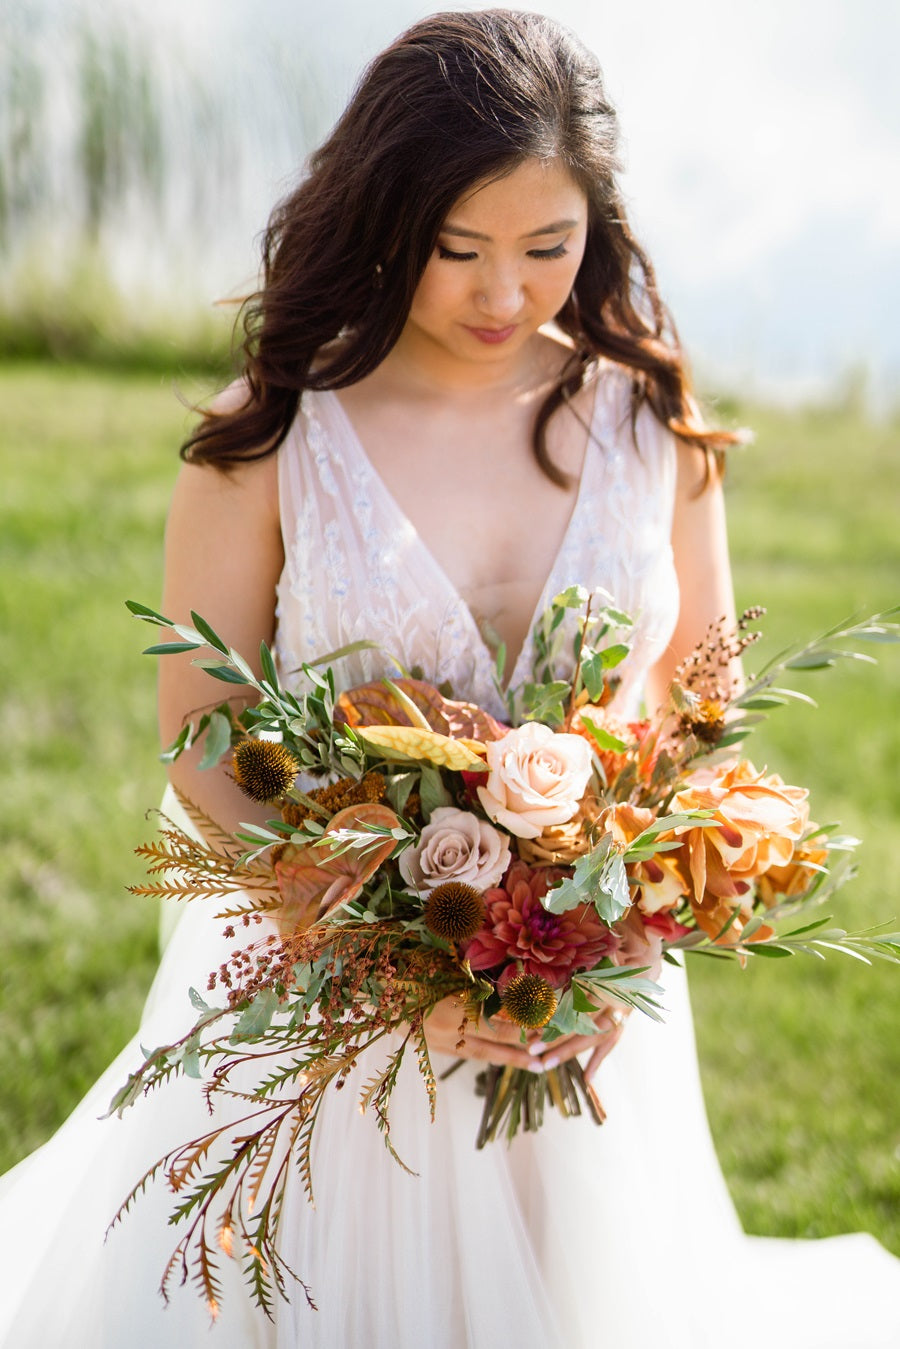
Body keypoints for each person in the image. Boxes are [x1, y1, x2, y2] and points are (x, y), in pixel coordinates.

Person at [1, 10, 898, 1346]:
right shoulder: (272, 436)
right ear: (384, 215)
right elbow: (198, 739)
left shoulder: (648, 416)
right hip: (319, 1010)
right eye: (458, 249)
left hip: (584, 1021)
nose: (504, 294)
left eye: (550, 248)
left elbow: (700, 700)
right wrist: (388, 963)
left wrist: (613, 931)